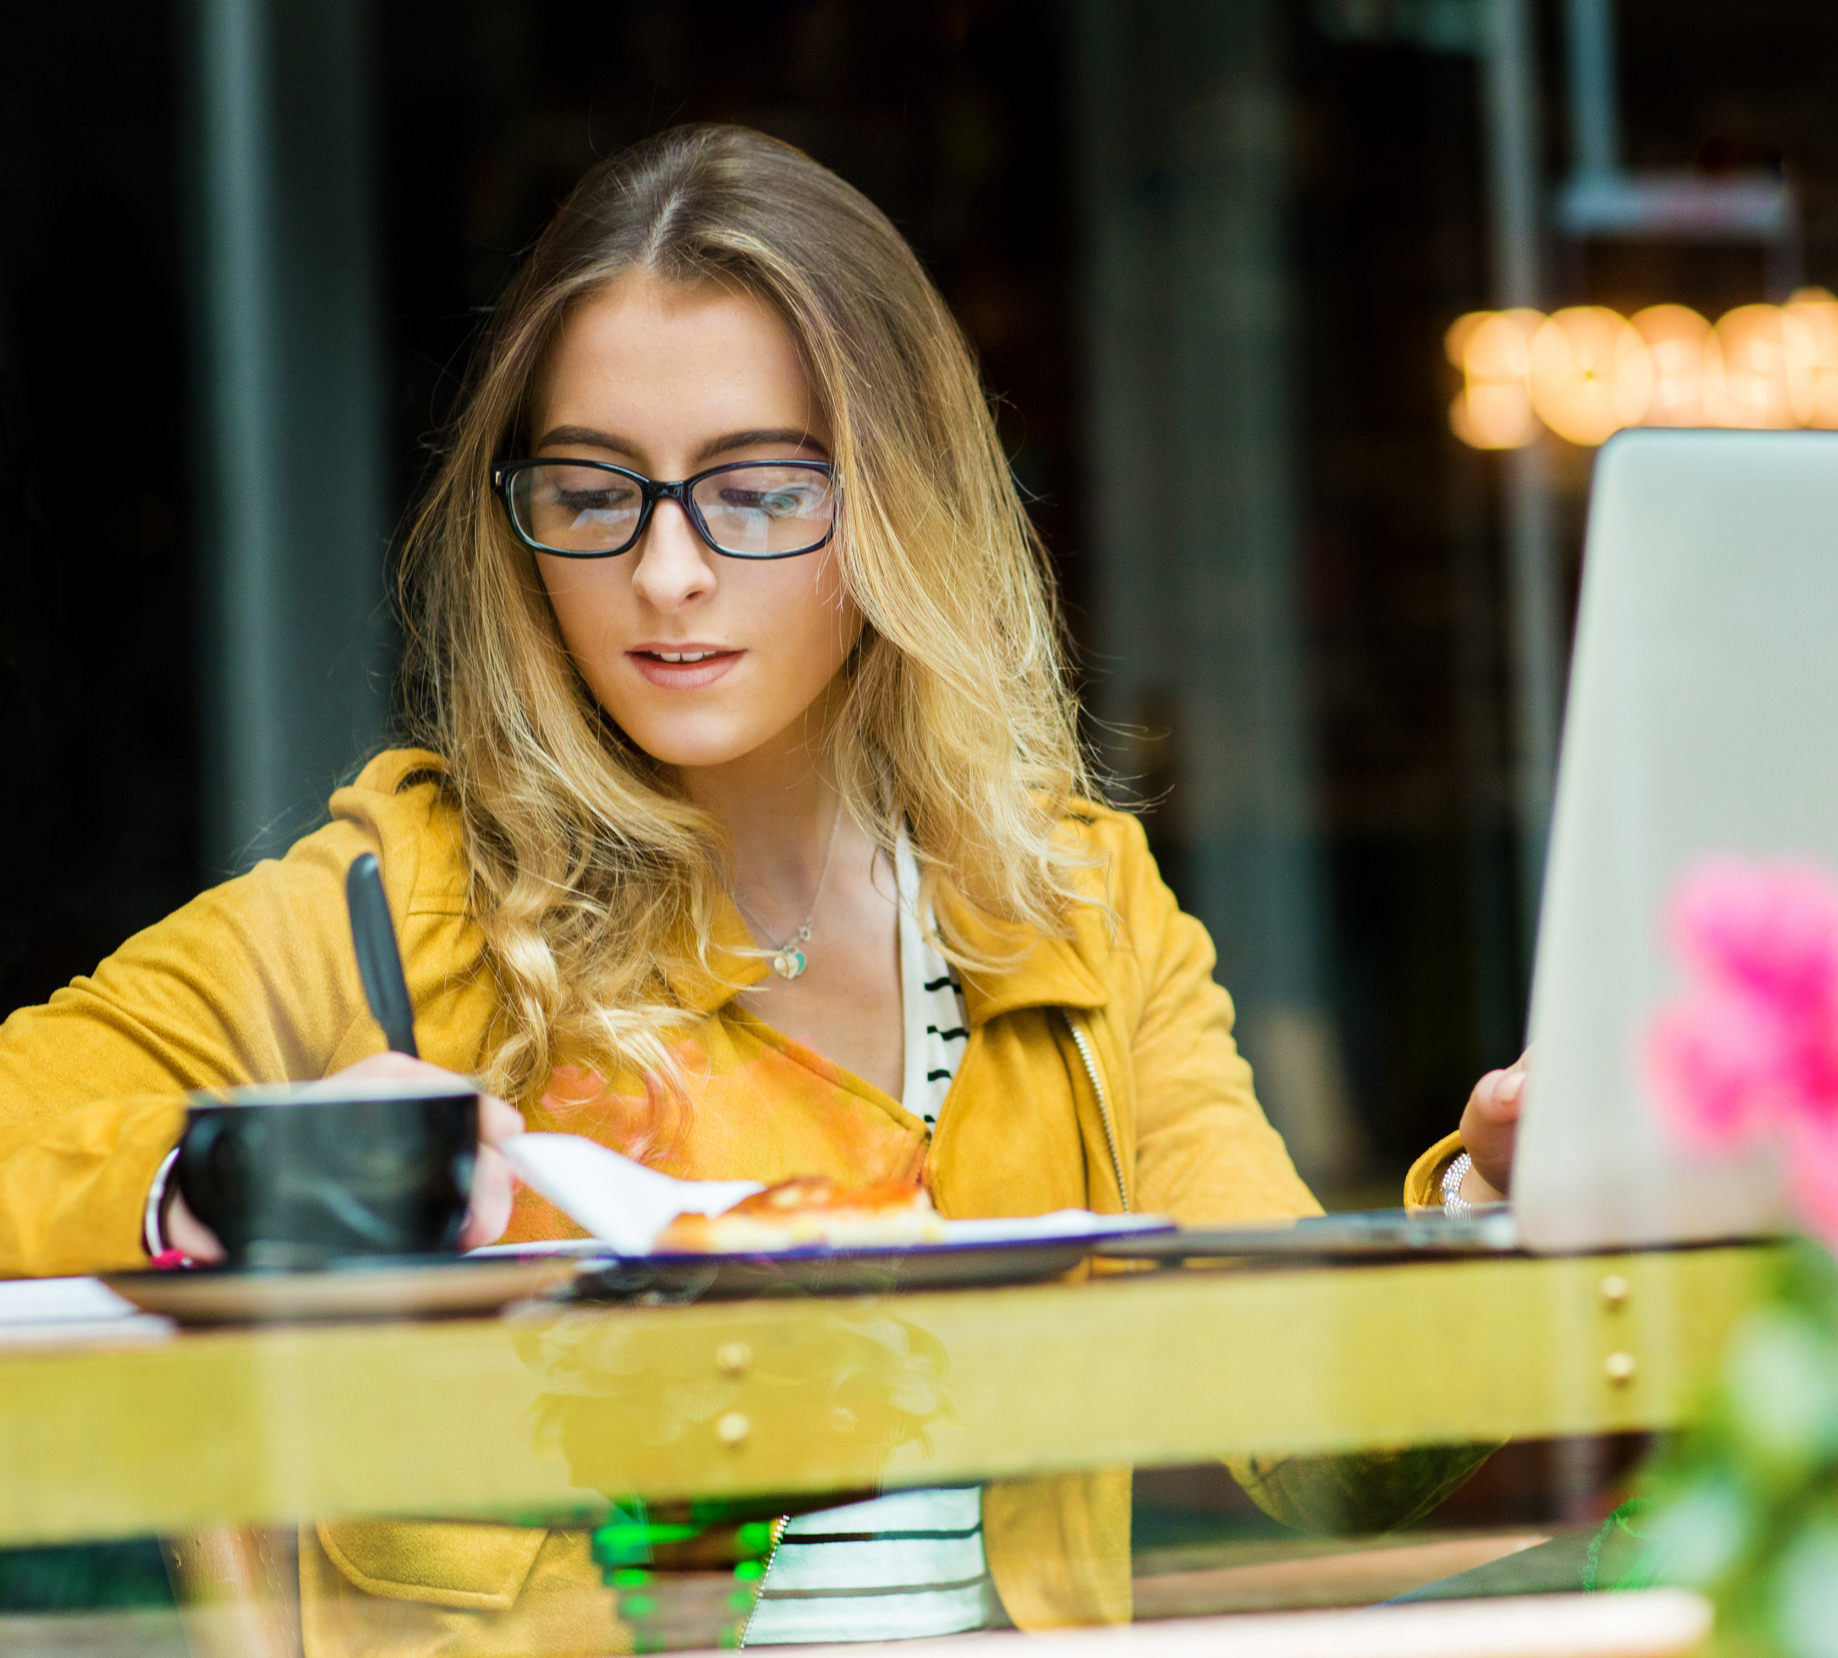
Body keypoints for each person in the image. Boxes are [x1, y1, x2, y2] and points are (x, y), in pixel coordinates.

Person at [0, 125, 1523, 1651]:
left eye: (759, 489)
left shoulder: (1071, 902)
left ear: (898, 502)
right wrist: (242, 1174)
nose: (667, 572)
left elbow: (1315, 1443)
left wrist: (1488, 1214)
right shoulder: (406, 907)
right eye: (596, 492)